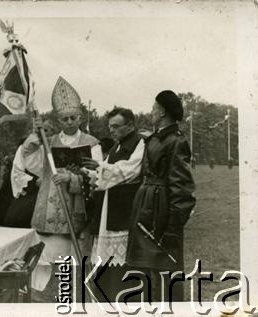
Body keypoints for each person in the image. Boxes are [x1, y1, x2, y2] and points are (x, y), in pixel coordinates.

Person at [21, 77, 102, 301]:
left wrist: (72, 178)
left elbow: (98, 176)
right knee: (45, 261)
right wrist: (35, 139)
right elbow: (32, 164)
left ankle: (66, 299)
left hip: (76, 209)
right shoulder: (50, 141)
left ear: (81, 117)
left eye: (73, 117)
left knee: (69, 262)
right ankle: (43, 299)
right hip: (48, 208)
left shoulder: (92, 143)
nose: (69, 122)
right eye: (64, 118)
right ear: (59, 119)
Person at [126, 90, 196, 302]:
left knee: (165, 269)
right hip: (146, 205)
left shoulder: (175, 141)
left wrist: (173, 229)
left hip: (161, 210)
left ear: (163, 112)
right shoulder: (155, 138)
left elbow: (183, 190)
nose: (151, 112)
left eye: (154, 108)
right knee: (148, 269)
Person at [81, 107, 145, 302]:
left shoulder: (139, 143)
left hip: (124, 209)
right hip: (108, 207)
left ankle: (123, 301)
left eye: (116, 126)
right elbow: (105, 173)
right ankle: (105, 299)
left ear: (130, 125)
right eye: (110, 126)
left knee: (121, 261)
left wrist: (100, 168)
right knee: (106, 263)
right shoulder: (117, 146)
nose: (111, 130)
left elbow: (129, 170)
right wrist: (86, 171)